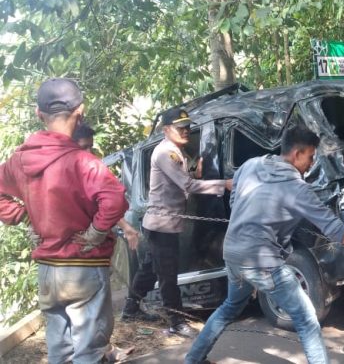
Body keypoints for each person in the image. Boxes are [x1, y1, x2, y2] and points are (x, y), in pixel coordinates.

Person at [186, 126, 344, 364]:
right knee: (307, 319)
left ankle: (193, 359)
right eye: (311, 157)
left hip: (233, 253)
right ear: (297, 153)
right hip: (263, 262)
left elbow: (234, 194)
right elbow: (335, 229)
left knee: (229, 306)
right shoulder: (297, 187)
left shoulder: (251, 165)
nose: (312, 163)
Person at [0, 78, 128, 363]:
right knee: (89, 352)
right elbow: (115, 199)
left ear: (38, 113)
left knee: (59, 351)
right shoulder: (84, 162)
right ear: (79, 111)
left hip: (47, 271)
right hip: (83, 266)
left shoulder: (19, 161)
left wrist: (24, 216)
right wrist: (96, 232)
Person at [140, 107, 233, 337]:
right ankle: (176, 321)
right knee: (168, 276)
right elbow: (188, 186)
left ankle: (131, 309)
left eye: (187, 127)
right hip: (162, 226)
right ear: (166, 130)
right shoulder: (165, 153)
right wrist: (224, 185)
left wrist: (194, 171)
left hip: (162, 223)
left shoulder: (175, 151)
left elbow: (183, 179)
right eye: (180, 127)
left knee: (150, 270)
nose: (186, 131)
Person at [70, 124, 160, 323]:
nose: (89, 153)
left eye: (91, 148)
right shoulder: (63, 173)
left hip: (96, 243)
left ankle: (102, 344)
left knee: (99, 296)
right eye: (83, 147)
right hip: (74, 250)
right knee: (83, 302)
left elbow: (105, 204)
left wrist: (126, 227)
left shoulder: (89, 170)